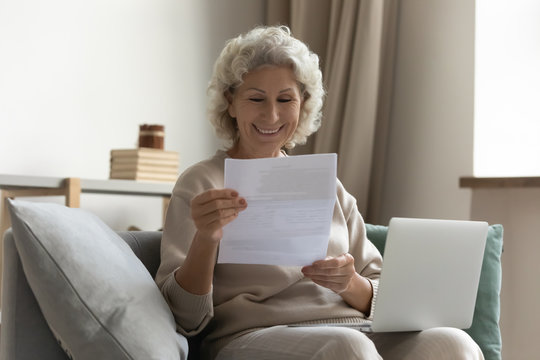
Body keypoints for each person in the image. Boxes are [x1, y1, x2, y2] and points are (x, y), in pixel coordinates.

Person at [155, 25, 484, 360]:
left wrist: (349, 283)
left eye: (286, 99)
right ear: (231, 103)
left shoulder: (326, 184)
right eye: (256, 99)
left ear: (303, 105)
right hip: (252, 336)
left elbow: (384, 291)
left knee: (453, 344)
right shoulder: (201, 183)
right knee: (347, 348)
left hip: (353, 328)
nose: (271, 115)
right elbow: (183, 315)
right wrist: (206, 238)